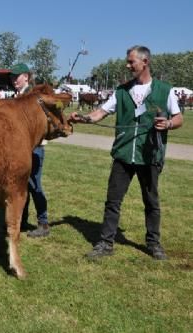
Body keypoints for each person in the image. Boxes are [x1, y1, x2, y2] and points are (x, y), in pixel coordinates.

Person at [69, 45, 183, 260]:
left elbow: (178, 118)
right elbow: (101, 112)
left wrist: (168, 123)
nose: (127, 65)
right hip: (123, 155)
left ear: (145, 62)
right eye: (128, 61)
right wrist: (83, 118)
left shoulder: (164, 90)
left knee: (151, 202)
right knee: (113, 201)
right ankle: (105, 243)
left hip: (149, 155)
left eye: (131, 62)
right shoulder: (121, 91)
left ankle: (153, 243)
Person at [9, 63, 50, 237]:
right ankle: (21, 220)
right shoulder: (15, 96)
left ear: (26, 76)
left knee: (34, 185)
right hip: (19, 148)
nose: (13, 80)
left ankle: (43, 223)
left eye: (16, 76)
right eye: (12, 77)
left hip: (35, 148)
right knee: (20, 185)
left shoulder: (34, 97)